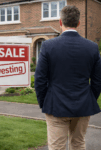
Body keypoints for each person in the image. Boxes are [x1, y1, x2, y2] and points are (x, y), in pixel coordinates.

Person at [34, 5, 101, 150]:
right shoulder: (92, 47)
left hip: (55, 106)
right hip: (83, 105)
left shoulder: (48, 46)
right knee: (78, 144)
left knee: (57, 147)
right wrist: (89, 99)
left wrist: (44, 103)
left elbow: (39, 80)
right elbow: (97, 81)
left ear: (60, 22)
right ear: (78, 23)